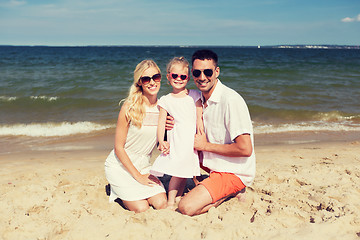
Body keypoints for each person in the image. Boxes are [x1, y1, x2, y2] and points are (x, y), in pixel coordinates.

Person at [177, 49, 256, 216]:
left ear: (217, 71)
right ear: (192, 73)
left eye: (208, 72)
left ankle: (232, 191)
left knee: (186, 207)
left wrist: (205, 145)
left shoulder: (230, 100)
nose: (202, 77)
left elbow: (245, 149)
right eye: (197, 72)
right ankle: (216, 186)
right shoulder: (200, 100)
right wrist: (169, 121)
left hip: (234, 172)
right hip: (215, 167)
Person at [104, 59, 167, 213]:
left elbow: (163, 144)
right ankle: (118, 189)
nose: (152, 82)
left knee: (161, 203)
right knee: (142, 208)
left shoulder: (164, 109)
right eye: (146, 79)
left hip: (144, 165)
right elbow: (118, 148)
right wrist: (138, 176)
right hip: (120, 166)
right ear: (139, 82)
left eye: (156, 77)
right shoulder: (129, 107)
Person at [150, 57, 202, 209]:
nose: (178, 79)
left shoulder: (194, 95)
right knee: (178, 172)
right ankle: (171, 200)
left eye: (183, 76)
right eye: (175, 76)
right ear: (168, 76)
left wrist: (200, 130)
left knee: (184, 172)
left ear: (188, 77)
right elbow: (161, 124)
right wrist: (161, 141)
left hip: (190, 141)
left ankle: (178, 196)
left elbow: (199, 116)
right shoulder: (166, 100)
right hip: (177, 141)